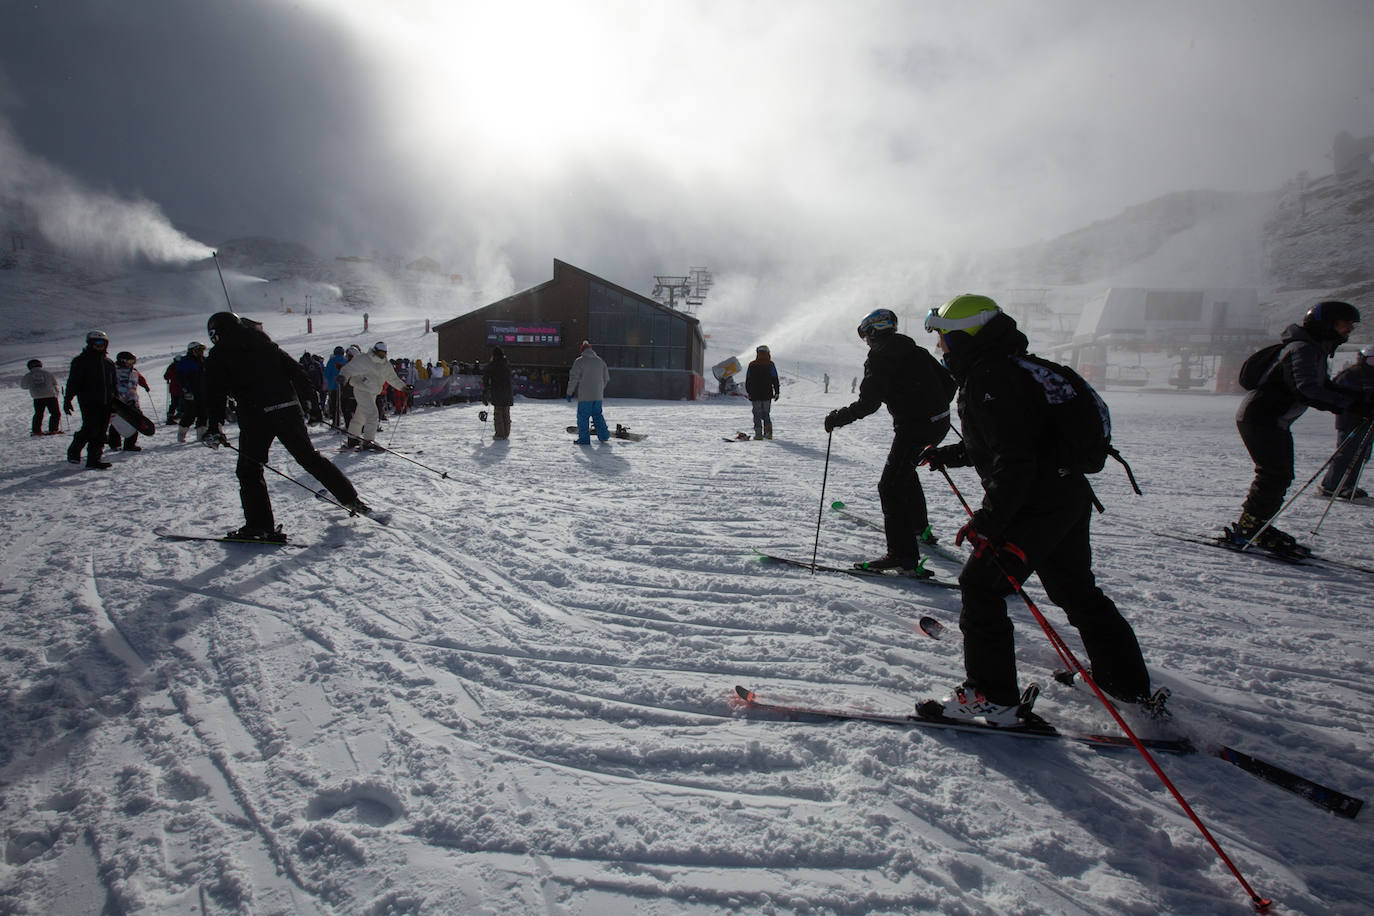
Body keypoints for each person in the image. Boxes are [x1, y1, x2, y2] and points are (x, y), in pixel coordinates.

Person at [919, 294, 1157, 725]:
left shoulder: (989, 379)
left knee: (981, 586)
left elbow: (1015, 460)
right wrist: (951, 455)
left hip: (1035, 502)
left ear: (963, 336)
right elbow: (1020, 441)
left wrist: (988, 522)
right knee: (1075, 591)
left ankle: (993, 696)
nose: (941, 349)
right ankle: (1125, 684)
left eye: (944, 339)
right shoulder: (1013, 368)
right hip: (1065, 495)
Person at [201, 311, 370, 542]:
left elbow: (215, 393)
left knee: (250, 470)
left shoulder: (218, 355)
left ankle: (259, 526)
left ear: (214, 333)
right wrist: (312, 406)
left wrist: (214, 425)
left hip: (256, 415)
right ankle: (351, 498)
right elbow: (297, 372)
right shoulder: (266, 344)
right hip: (289, 409)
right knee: (310, 457)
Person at [824, 308, 956, 571]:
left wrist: (838, 418)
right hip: (939, 422)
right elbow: (949, 384)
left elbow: (868, 403)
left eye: (866, 336)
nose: (867, 342)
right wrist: (933, 406)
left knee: (890, 486)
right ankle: (919, 527)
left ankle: (902, 555)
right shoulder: (915, 350)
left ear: (873, 332)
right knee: (904, 474)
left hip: (915, 427)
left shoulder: (880, 357)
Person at [1234, 301, 1371, 551]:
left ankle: (1258, 525)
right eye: (1344, 324)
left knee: (1279, 475)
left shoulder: (1313, 349)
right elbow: (1307, 389)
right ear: (1326, 323)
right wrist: (1350, 406)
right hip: (1261, 417)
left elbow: (1324, 385)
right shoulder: (1303, 349)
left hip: (1273, 420)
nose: (1348, 330)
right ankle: (1250, 528)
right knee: (1274, 474)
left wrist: (1358, 399)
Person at [1319, 344, 1374, 499]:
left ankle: (1348, 484)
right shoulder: (1351, 375)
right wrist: (1358, 404)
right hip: (1350, 420)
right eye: (1371, 361)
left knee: (1361, 453)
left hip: (1368, 421)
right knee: (1346, 452)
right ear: (1362, 360)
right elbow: (1338, 394)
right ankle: (1332, 485)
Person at [337, 341, 406, 450]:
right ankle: (368, 441)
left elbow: (392, 378)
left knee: (361, 416)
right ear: (375, 351)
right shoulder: (364, 359)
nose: (382, 356)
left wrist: (403, 387)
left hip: (373, 392)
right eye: (380, 353)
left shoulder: (385, 364)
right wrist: (343, 376)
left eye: (384, 354)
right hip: (361, 389)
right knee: (372, 414)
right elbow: (349, 369)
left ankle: (352, 438)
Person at [63, 330, 117, 469]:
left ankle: (94, 459)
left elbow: (113, 383)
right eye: (96, 343)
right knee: (90, 428)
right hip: (89, 401)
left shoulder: (108, 363)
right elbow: (73, 382)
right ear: (90, 344)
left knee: (101, 431)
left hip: (107, 401)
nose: (99, 346)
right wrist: (68, 399)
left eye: (102, 343)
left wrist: (115, 399)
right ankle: (74, 451)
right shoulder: (81, 361)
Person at [567, 340, 611, 444]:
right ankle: (604, 436)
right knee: (597, 415)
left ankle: (584, 439)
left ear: (582, 351)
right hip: (598, 396)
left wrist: (569, 392)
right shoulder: (600, 361)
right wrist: (600, 389)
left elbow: (574, 378)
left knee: (583, 417)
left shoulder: (580, 361)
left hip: (585, 396)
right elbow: (606, 378)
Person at [109, 351, 151, 451]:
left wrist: (145, 385)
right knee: (117, 421)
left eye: (133, 361)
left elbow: (139, 378)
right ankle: (114, 444)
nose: (132, 363)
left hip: (132, 399)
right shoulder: (113, 370)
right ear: (122, 361)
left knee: (135, 420)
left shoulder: (133, 371)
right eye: (130, 361)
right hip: (118, 400)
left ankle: (130, 444)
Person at [174, 341, 209, 442]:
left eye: (202, 350)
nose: (201, 352)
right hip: (190, 392)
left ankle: (201, 435)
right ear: (192, 350)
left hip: (202, 391)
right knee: (190, 414)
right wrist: (186, 390)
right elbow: (181, 378)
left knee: (203, 413)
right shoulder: (185, 362)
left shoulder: (203, 361)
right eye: (199, 350)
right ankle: (181, 434)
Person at [745, 345, 781, 439]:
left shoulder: (752, 365)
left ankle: (758, 434)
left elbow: (748, 379)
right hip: (767, 394)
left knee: (756, 413)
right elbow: (775, 379)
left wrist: (749, 392)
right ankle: (768, 433)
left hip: (755, 394)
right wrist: (777, 392)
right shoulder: (771, 364)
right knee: (766, 413)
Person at [21, 358, 61, 436]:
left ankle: (36, 431)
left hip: (37, 397)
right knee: (55, 413)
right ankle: (53, 429)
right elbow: (55, 383)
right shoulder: (48, 373)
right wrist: (57, 393)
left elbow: (23, 386)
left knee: (38, 414)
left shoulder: (28, 375)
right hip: (51, 396)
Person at [482, 345, 514, 440]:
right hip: (507, 392)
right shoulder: (506, 364)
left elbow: (486, 379)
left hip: (497, 391)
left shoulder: (492, 366)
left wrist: (485, 391)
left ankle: (500, 434)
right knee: (506, 413)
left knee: (498, 413)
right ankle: (506, 432)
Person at [323, 346, 349, 426]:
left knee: (334, 404)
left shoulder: (331, 361)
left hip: (333, 386)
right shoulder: (346, 360)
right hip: (344, 387)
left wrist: (325, 385)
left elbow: (326, 374)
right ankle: (347, 422)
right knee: (345, 405)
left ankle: (336, 421)